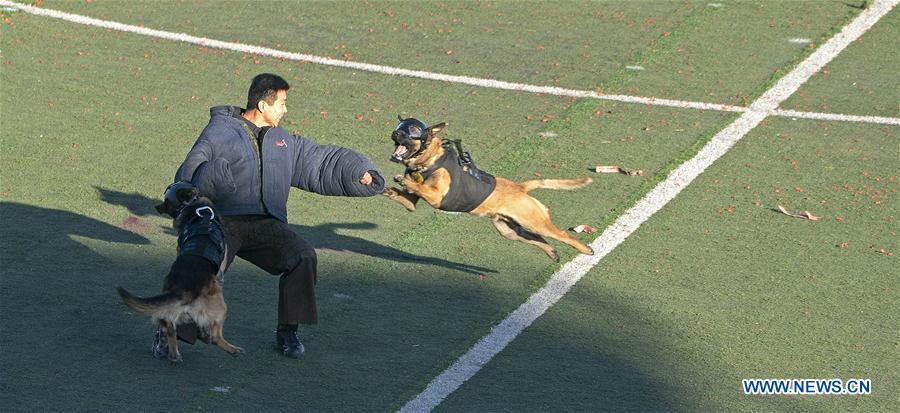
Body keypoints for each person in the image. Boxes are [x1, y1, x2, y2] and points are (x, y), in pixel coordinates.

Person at [152, 73, 385, 359]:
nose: (285, 110)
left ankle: (288, 332)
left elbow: (318, 161)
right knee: (204, 269)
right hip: (223, 224)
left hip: (265, 225)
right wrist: (210, 179)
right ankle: (168, 335)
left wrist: (357, 171)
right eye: (282, 103)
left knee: (303, 257)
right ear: (263, 105)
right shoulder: (219, 132)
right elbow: (189, 173)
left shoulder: (282, 141)